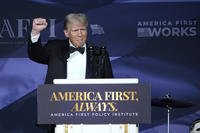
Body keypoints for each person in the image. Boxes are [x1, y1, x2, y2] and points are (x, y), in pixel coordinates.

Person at [28, 13, 113, 133]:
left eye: (83, 30)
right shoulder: (54, 48)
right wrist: (35, 32)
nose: (80, 34)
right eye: (75, 30)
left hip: (90, 114)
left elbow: (110, 85)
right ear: (66, 33)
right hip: (58, 111)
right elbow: (35, 55)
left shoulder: (99, 53)